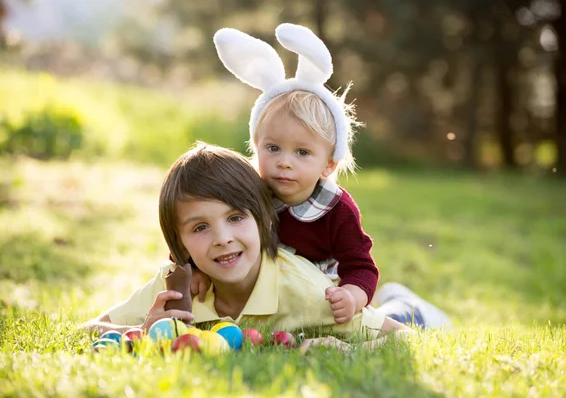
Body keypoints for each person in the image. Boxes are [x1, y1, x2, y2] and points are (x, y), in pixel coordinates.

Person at [85, 143, 450, 350]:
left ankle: (409, 302)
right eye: (200, 227)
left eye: (236, 218)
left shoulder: (306, 291)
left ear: (263, 222)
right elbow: (90, 329)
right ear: (179, 246)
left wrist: (343, 348)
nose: (223, 237)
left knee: (403, 316)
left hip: (380, 314)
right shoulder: (175, 287)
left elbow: (401, 340)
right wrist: (143, 331)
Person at [206, 23, 379, 325]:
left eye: (302, 152)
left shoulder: (336, 209)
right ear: (256, 146)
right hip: (262, 303)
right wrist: (191, 272)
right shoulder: (244, 190)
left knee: (382, 323)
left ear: (329, 164)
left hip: (317, 304)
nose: (285, 162)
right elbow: (204, 225)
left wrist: (351, 296)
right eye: (273, 148)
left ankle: (404, 303)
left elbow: (361, 266)